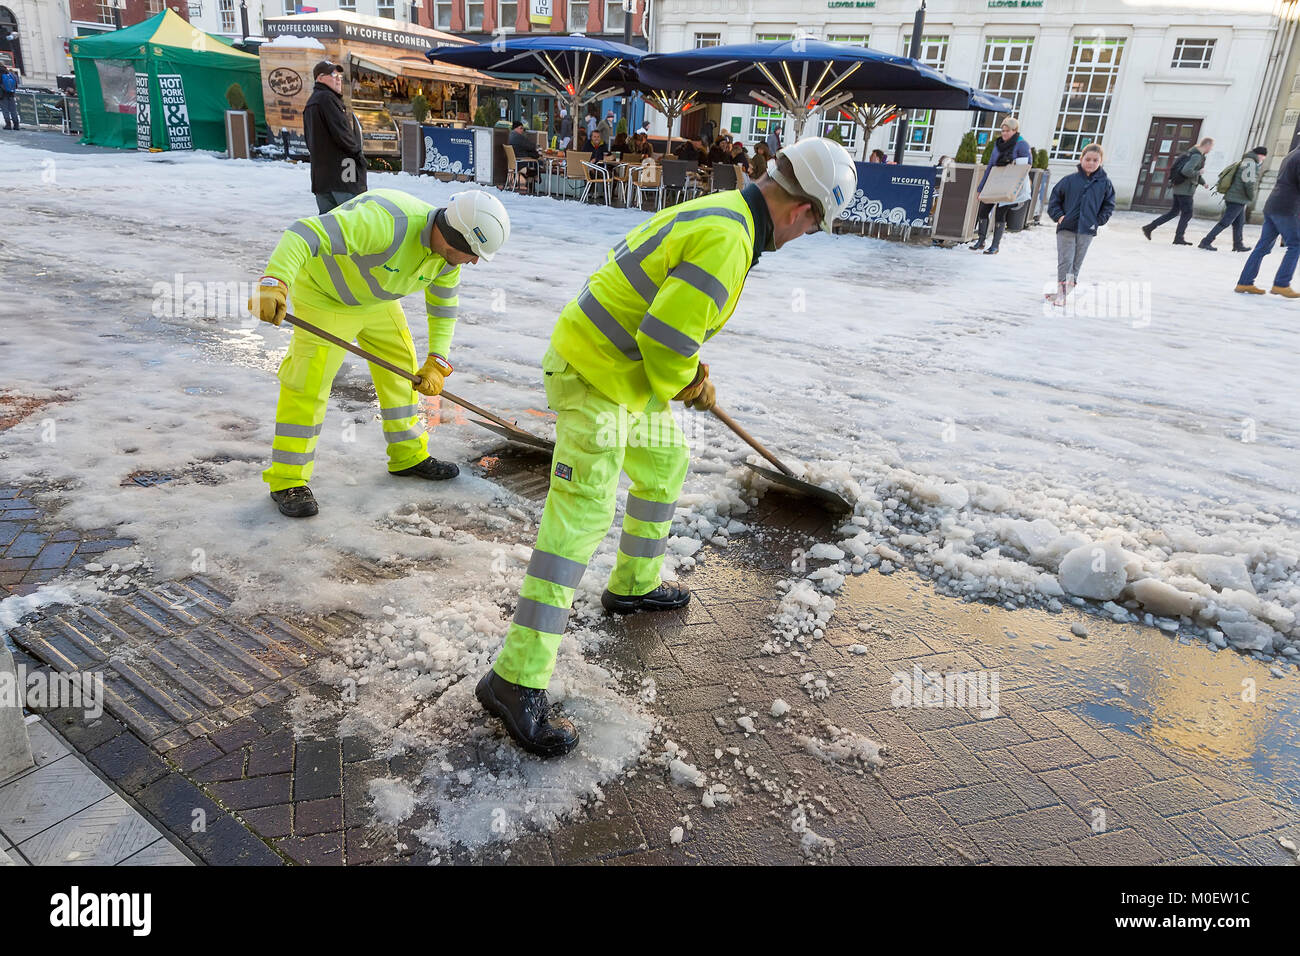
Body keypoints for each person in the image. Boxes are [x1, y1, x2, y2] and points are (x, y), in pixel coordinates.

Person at [474, 137, 858, 758]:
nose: (803, 238)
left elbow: (661, 318)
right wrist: (687, 379)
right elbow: (663, 339)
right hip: (595, 375)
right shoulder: (730, 238)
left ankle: (633, 584)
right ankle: (514, 679)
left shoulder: (723, 214)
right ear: (801, 211)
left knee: (664, 461)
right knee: (582, 516)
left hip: (627, 376)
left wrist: (687, 374)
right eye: (813, 229)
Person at [246, 189, 510, 517]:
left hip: (376, 301)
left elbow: (443, 308)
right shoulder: (387, 223)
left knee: (402, 370)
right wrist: (275, 281)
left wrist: (437, 362)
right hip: (325, 296)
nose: (473, 261)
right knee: (307, 384)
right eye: (472, 252)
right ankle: (287, 479)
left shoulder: (447, 260)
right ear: (452, 236)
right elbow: (305, 232)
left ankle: (408, 456)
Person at [1045, 143, 1116, 305]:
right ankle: (1062, 294)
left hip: (1087, 230)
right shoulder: (1069, 180)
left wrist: (1097, 221)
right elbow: (1055, 200)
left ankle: (1063, 292)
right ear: (1081, 159)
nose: (1091, 163)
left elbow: (1108, 205)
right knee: (1066, 260)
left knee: (1076, 263)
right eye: (1088, 159)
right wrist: (1060, 216)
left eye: (1095, 160)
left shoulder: (1105, 184)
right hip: (1067, 228)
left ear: (1100, 162)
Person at [1235, 144, 1300, 297]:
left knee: (1262, 246)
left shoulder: (1292, 154)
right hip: (1287, 207)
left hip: (1273, 204)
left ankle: (1244, 282)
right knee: (1296, 244)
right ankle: (1281, 284)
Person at [302, 61, 367, 214]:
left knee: (329, 226)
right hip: (344, 173)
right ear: (320, 78)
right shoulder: (327, 99)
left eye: (339, 75)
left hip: (321, 177)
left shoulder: (311, 102)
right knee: (351, 222)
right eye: (333, 75)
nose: (338, 79)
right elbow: (342, 134)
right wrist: (358, 155)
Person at [972, 117, 1032, 254]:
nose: (1004, 134)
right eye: (1003, 131)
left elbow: (1025, 167)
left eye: (1008, 131)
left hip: (1008, 184)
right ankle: (981, 241)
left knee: (1000, 214)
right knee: (983, 211)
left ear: (1015, 130)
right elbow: (990, 167)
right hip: (995, 181)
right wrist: (981, 188)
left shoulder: (1021, 145)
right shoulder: (998, 144)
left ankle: (995, 246)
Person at [1143, 137, 1213, 244]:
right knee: (1187, 213)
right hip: (1185, 190)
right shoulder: (1197, 156)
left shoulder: (1191, 153)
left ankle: (1149, 227)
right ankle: (1178, 238)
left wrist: (1203, 183)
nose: (1211, 149)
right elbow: (1187, 171)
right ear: (1207, 145)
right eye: (1211, 146)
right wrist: (1199, 172)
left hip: (1178, 187)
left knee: (1174, 212)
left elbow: (1190, 171)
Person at [1201, 146, 1266, 252]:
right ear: (1260, 155)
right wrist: (1251, 196)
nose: (1263, 160)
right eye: (1263, 157)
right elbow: (1248, 183)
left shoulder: (1246, 161)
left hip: (1236, 197)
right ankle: (1206, 241)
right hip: (1237, 198)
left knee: (1239, 223)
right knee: (1225, 222)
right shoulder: (1250, 163)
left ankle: (1238, 245)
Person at [507, 119, 540, 192]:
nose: (522, 130)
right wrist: (537, 148)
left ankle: (534, 179)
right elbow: (530, 146)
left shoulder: (509, 135)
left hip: (513, 163)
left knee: (534, 157)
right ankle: (536, 178)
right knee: (536, 161)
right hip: (521, 163)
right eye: (521, 128)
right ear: (516, 128)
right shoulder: (518, 137)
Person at [0, 65, 19, 131]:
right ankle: (16, 125)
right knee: (13, 110)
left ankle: (8, 125)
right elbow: (16, 84)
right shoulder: (9, 72)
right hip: (11, 94)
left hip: (2, 95)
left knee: (5, 110)